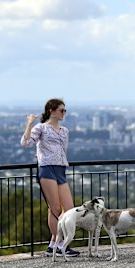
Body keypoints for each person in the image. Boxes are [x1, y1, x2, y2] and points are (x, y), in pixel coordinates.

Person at [20, 98, 80, 257]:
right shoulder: (41, 128)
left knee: (69, 209)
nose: (64, 113)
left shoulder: (65, 130)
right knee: (54, 208)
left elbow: (64, 151)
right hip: (47, 170)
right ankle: (59, 244)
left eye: (65, 110)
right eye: (61, 110)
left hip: (60, 169)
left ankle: (54, 243)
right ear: (51, 111)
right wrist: (29, 124)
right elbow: (25, 143)